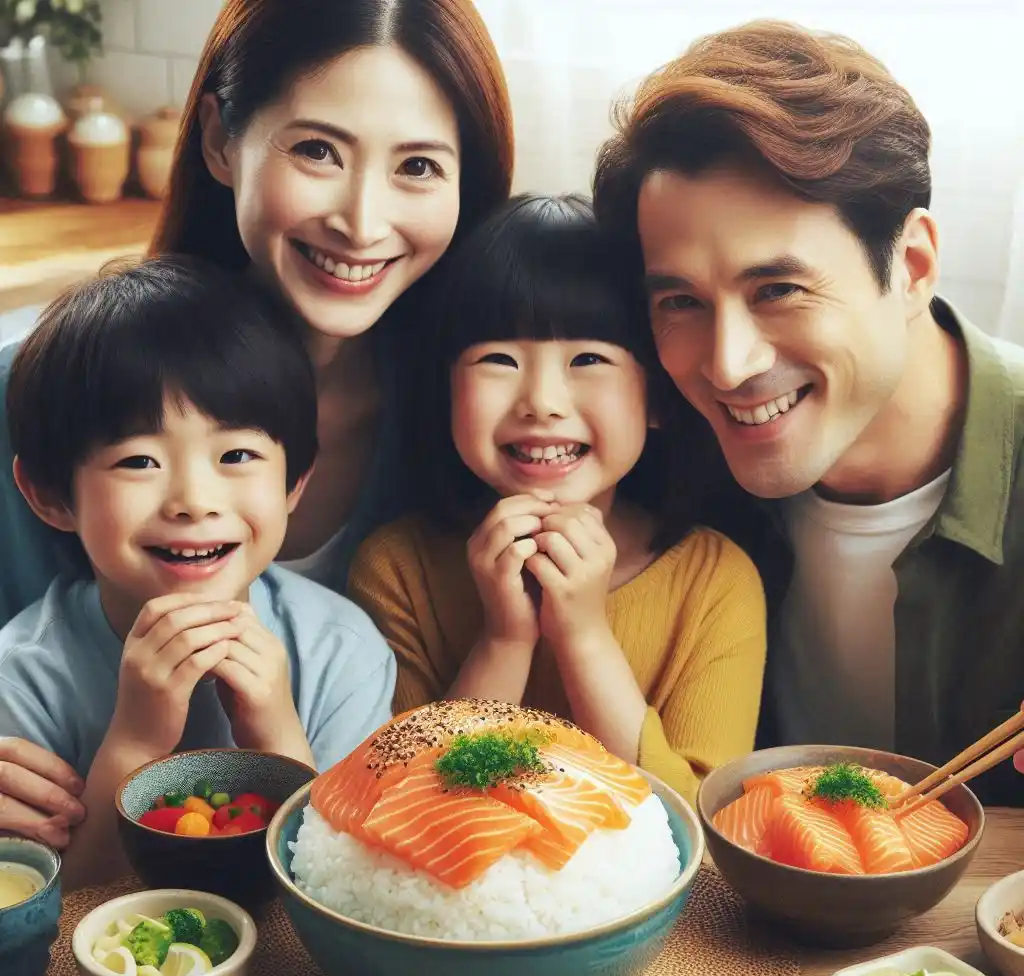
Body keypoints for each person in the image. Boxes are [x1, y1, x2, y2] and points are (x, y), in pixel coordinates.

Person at [0, 0, 513, 842]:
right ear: (217, 140)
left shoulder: (471, 420)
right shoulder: (36, 391)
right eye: (317, 150)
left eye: (417, 166)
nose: (360, 219)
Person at [592, 20, 1024, 804]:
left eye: (778, 290)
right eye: (682, 301)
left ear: (914, 266)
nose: (727, 363)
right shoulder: (658, 455)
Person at [347, 195, 766, 805]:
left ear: (659, 399)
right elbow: (401, 807)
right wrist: (504, 641)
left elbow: (703, 825)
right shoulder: (397, 568)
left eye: (588, 358)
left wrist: (584, 636)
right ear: (445, 394)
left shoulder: (714, 580)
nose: (541, 401)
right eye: (498, 359)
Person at [0, 256, 396, 887]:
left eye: (236, 454)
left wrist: (278, 734)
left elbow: (348, 881)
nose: (193, 499)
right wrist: (134, 742)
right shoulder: (23, 677)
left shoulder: (341, 651)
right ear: (49, 493)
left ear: (295, 479)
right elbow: (61, 903)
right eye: (137, 461)